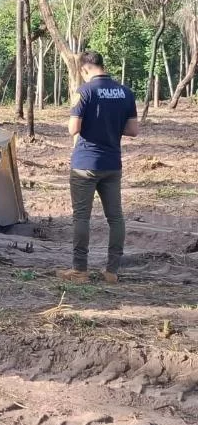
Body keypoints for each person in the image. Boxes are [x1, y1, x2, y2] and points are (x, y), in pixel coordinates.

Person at [57, 51, 139, 284]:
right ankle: (112, 270)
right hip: (113, 164)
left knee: (82, 217)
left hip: (85, 164)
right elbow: (133, 130)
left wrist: (92, 124)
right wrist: (110, 126)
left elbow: (74, 128)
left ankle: (80, 270)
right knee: (116, 217)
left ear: (84, 70)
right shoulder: (125, 92)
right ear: (102, 66)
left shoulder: (85, 91)